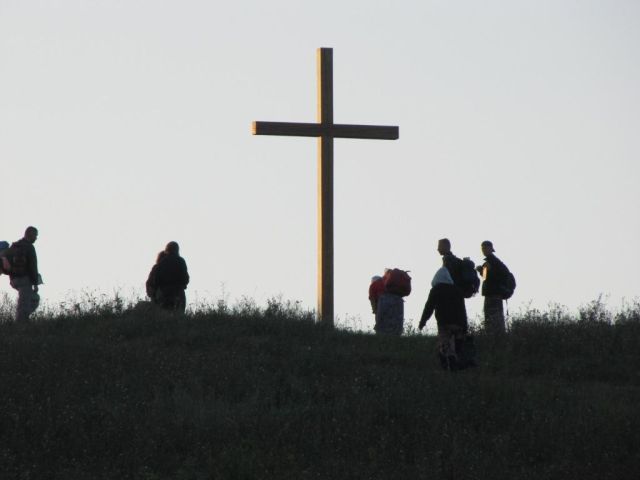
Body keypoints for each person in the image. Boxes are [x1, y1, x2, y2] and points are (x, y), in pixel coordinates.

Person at [419, 267, 470, 370]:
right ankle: (456, 369)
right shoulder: (457, 290)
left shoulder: (436, 289)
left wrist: (422, 322)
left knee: (445, 346)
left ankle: (448, 366)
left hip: (444, 323)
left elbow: (429, 307)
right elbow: (463, 310)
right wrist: (465, 326)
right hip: (459, 324)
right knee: (456, 347)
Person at [476, 240, 510, 335]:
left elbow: (489, 277)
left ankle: (495, 339)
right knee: (494, 320)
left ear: (491, 249)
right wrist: (481, 270)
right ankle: (496, 339)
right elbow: (487, 276)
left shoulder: (492, 262)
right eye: (482, 248)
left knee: (493, 320)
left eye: (485, 248)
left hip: (493, 295)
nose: (484, 250)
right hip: (493, 294)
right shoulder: (493, 262)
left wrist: (481, 270)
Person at [9, 226, 42, 322]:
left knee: (33, 298)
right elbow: (32, 266)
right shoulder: (29, 247)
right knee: (24, 304)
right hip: (24, 279)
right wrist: (35, 283)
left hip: (14, 279)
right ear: (30, 234)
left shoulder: (15, 245)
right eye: (35, 235)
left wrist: (12, 279)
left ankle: (21, 320)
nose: (36, 238)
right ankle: (21, 325)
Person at [151, 241, 190, 313]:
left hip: (164, 294)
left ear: (166, 250)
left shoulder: (161, 262)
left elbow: (155, 280)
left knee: (164, 316)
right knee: (179, 317)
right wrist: (183, 285)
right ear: (177, 250)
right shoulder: (181, 261)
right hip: (178, 293)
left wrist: (156, 294)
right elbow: (185, 278)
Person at [375, 269, 406, 336]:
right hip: (397, 332)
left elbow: (380, 314)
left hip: (384, 332)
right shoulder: (400, 300)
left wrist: (377, 326)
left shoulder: (383, 298)